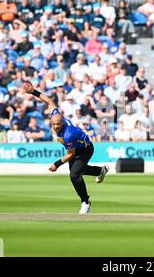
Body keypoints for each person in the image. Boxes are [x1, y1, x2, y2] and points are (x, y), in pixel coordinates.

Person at [22, 81, 108, 214]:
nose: (55, 127)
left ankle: (85, 202)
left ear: (62, 122)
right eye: (53, 124)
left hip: (85, 149)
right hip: (77, 148)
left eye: (57, 124)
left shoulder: (68, 134)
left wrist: (56, 164)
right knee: (78, 170)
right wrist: (34, 92)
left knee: (74, 175)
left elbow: (70, 155)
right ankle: (100, 171)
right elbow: (50, 102)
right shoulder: (55, 114)